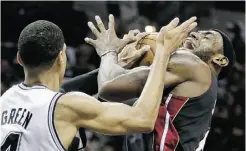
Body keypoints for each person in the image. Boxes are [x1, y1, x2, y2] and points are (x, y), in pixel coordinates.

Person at [0, 15, 197, 151]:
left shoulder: (7, 99)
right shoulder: (67, 106)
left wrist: (112, 61)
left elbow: (53, 94)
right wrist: (163, 51)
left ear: (19, 58)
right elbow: (143, 119)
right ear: (62, 57)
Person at [85, 16, 236, 150]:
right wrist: (121, 63)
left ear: (220, 60)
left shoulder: (195, 65)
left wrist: (109, 52)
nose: (196, 33)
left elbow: (108, 87)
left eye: (207, 36)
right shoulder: (193, 92)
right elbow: (109, 96)